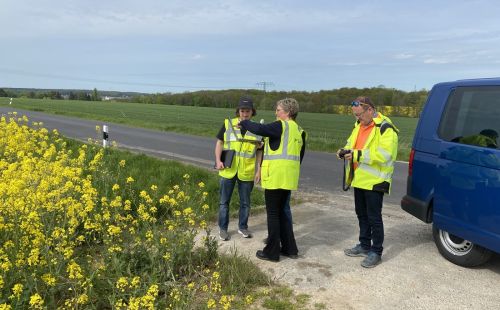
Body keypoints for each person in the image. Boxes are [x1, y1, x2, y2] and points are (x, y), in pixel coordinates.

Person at [239, 98, 306, 262]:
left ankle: (272, 252)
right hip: (289, 177)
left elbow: (260, 128)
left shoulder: (281, 125)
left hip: (275, 176)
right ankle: (290, 248)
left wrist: (244, 122)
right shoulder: (300, 130)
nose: (276, 113)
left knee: (274, 214)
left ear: (287, 112)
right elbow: (299, 155)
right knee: (283, 212)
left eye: (278, 110)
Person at [338, 96, 398, 268]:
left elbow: (385, 155)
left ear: (370, 110)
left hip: (376, 181)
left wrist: (356, 154)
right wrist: (343, 151)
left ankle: (376, 252)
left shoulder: (386, 128)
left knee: (374, 218)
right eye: (355, 115)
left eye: (359, 115)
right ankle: (364, 245)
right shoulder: (359, 125)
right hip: (360, 179)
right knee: (361, 215)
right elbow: (351, 144)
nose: (357, 119)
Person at [215, 96, 263, 241]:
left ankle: (243, 227)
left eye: (248, 111)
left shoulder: (258, 128)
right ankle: (223, 229)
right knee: (224, 202)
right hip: (228, 169)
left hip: (246, 172)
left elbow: (260, 151)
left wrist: (259, 170)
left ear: (252, 112)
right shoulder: (228, 124)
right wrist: (218, 160)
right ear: (238, 112)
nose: (245, 114)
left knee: (245, 203)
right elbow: (219, 143)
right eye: (242, 111)